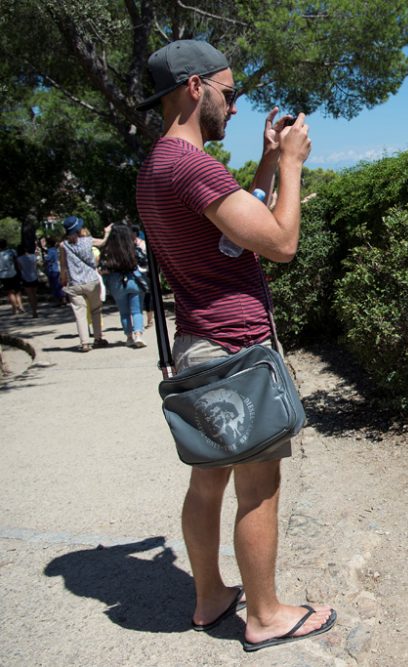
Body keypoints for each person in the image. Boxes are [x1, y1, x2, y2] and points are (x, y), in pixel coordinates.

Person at [134, 39, 333, 651]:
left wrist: (267, 166)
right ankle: (266, 614)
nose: (236, 106)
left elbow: (226, 236)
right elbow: (277, 243)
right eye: (231, 92)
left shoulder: (156, 168)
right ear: (195, 87)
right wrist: (295, 165)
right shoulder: (191, 166)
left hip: (200, 343)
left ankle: (210, 597)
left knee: (207, 482)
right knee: (259, 484)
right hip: (234, 347)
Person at [59, 216, 108, 352]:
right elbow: (103, 242)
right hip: (91, 281)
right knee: (95, 310)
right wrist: (107, 232)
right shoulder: (88, 241)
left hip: (74, 283)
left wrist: (63, 280)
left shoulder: (63, 245)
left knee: (79, 313)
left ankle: (84, 343)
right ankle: (98, 338)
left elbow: (63, 266)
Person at [98, 223, 146, 347]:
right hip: (134, 279)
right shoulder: (133, 248)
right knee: (137, 311)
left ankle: (129, 337)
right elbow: (143, 261)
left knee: (124, 312)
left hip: (116, 282)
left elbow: (102, 268)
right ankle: (138, 335)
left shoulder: (108, 252)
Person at [0, 239, 23, 315]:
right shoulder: (12, 251)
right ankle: (20, 305)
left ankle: (14, 308)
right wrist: (20, 269)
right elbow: (16, 262)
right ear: (6, 244)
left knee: (10, 292)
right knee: (17, 291)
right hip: (13, 273)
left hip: (3, 275)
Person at [15, 244, 39, 318]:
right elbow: (35, 266)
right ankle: (35, 310)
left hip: (25, 278)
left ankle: (34, 311)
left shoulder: (19, 259)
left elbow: (20, 269)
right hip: (34, 277)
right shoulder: (33, 256)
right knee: (34, 295)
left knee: (30, 295)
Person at [43, 236, 66, 304]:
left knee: (54, 285)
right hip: (57, 268)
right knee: (59, 285)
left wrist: (44, 259)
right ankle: (63, 298)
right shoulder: (55, 250)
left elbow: (48, 259)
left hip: (52, 269)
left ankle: (57, 300)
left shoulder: (50, 251)